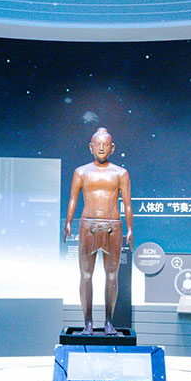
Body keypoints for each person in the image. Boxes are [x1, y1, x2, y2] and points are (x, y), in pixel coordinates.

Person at [64, 127, 133, 335]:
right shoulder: (81, 172)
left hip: (113, 226)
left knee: (112, 275)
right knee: (86, 275)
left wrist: (130, 228)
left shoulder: (120, 173)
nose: (101, 148)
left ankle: (109, 321)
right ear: (91, 147)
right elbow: (73, 199)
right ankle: (88, 322)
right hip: (88, 226)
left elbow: (127, 204)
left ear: (112, 148)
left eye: (106, 145)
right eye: (98, 145)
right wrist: (68, 222)